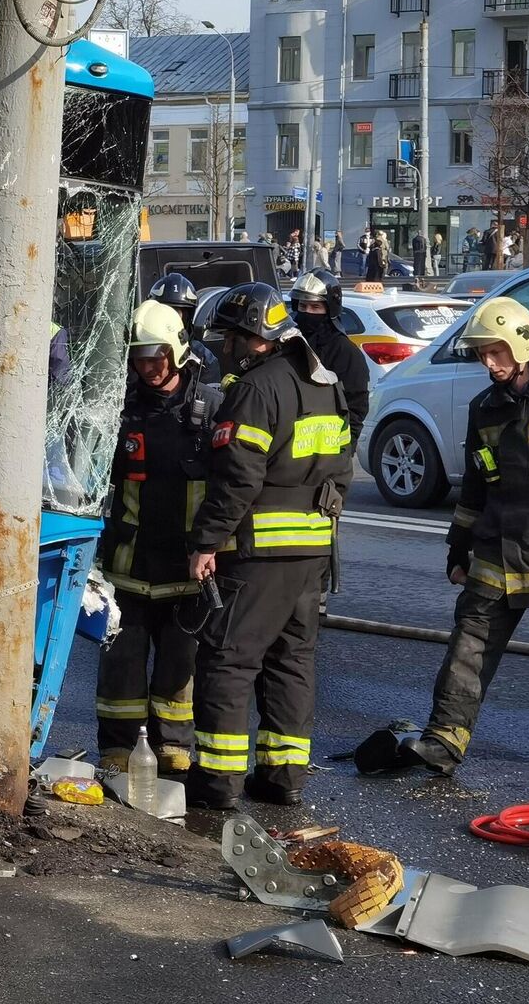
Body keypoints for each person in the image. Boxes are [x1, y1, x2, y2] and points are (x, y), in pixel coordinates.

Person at [185, 282, 351, 810]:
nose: (223, 347)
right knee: (291, 662)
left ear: (254, 338)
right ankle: (283, 777)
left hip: (259, 551)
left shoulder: (258, 389)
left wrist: (207, 541)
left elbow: (237, 477)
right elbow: (342, 469)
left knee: (229, 660)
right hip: (312, 551)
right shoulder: (325, 383)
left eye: (230, 337)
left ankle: (219, 781)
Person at [394, 298, 529, 775]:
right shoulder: (486, 409)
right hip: (499, 547)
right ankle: (443, 740)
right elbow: (476, 485)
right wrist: (458, 546)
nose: (489, 363)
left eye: (496, 352)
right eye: (481, 354)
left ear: (522, 345)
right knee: (469, 646)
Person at [97, 301, 223, 775]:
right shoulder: (120, 409)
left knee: (178, 665)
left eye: (156, 357)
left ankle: (173, 747)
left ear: (176, 351)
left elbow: (232, 485)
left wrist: (213, 548)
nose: (147, 367)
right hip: (128, 563)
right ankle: (116, 747)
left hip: (185, 567)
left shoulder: (210, 409)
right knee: (121, 662)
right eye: (138, 358)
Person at [287, 269, 371, 445]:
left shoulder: (345, 352)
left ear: (329, 309)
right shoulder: (288, 343)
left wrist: (343, 450)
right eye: (302, 306)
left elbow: (356, 407)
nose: (307, 312)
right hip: (289, 449)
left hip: (328, 453)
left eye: (315, 307)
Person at [146, 272, 220, 378]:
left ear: (187, 318)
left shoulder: (203, 360)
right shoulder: (136, 351)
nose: (170, 320)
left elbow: (210, 393)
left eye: (176, 313)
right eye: (165, 312)